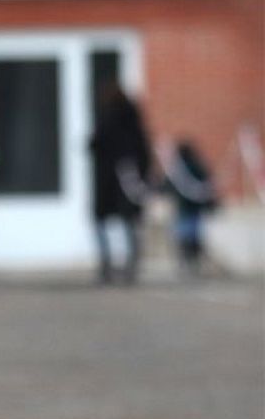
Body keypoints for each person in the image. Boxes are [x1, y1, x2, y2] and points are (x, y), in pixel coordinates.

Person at [89, 86, 152, 285]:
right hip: (128, 179)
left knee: (103, 222)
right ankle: (130, 266)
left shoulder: (106, 119)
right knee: (129, 222)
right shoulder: (133, 121)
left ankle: (106, 266)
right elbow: (144, 151)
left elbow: (94, 144)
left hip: (110, 179)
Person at [163, 138, 218, 276]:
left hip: (183, 209)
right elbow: (206, 183)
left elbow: (168, 185)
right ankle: (194, 261)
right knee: (193, 236)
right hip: (194, 209)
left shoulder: (177, 169)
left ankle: (186, 261)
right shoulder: (197, 165)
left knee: (183, 236)